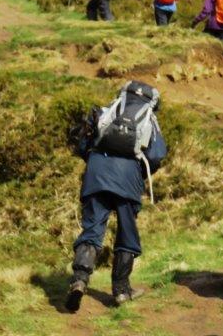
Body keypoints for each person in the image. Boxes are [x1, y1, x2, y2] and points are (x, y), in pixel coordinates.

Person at [65, 85, 167, 312]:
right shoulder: (148, 119)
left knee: (92, 230)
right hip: (128, 178)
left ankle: (80, 280)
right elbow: (157, 154)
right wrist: (139, 172)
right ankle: (121, 290)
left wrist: (95, 163)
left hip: (97, 172)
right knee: (127, 233)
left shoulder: (108, 110)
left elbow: (83, 144)